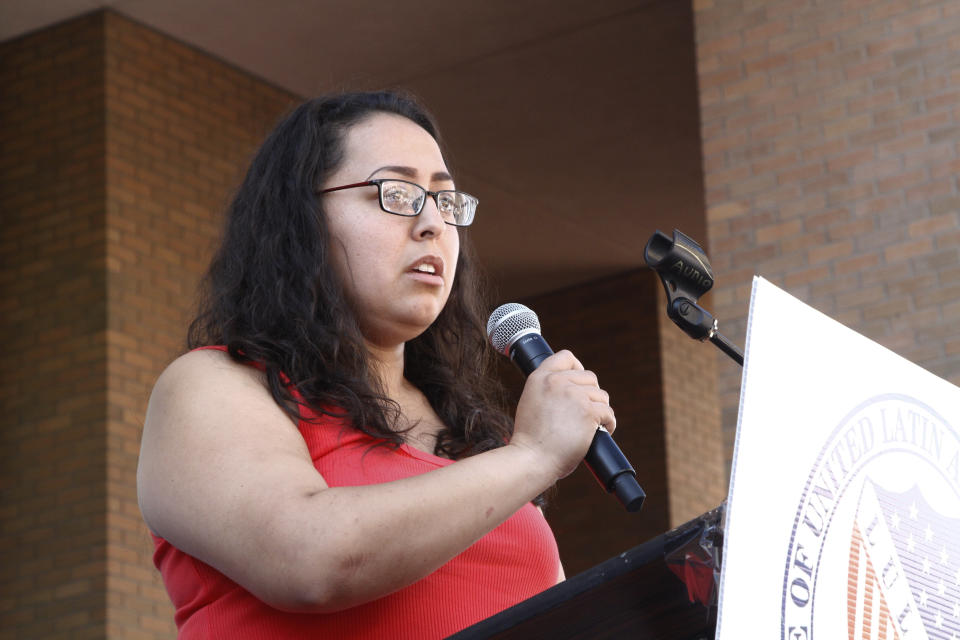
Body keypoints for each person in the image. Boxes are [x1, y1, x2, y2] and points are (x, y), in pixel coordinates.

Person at [137, 90, 616, 639]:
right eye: (397, 193)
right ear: (302, 221)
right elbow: (309, 560)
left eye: (445, 200)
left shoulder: (470, 438)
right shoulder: (212, 385)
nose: (432, 223)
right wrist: (533, 455)